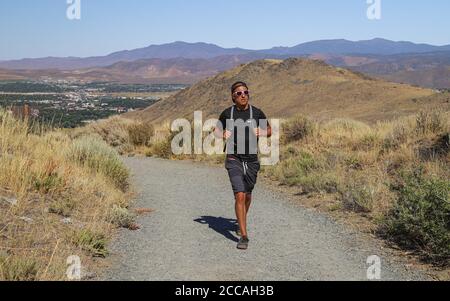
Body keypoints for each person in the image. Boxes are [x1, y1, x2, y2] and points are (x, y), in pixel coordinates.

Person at [215, 81, 272, 250]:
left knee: (247, 195)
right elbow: (216, 130)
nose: (243, 95)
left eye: (245, 92)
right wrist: (222, 133)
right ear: (233, 96)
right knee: (239, 194)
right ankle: (244, 235)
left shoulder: (257, 113)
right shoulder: (227, 113)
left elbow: (269, 130)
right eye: (239, 93)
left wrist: (262, 132)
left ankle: (241, 220)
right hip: (234, 158)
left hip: (252, 160)